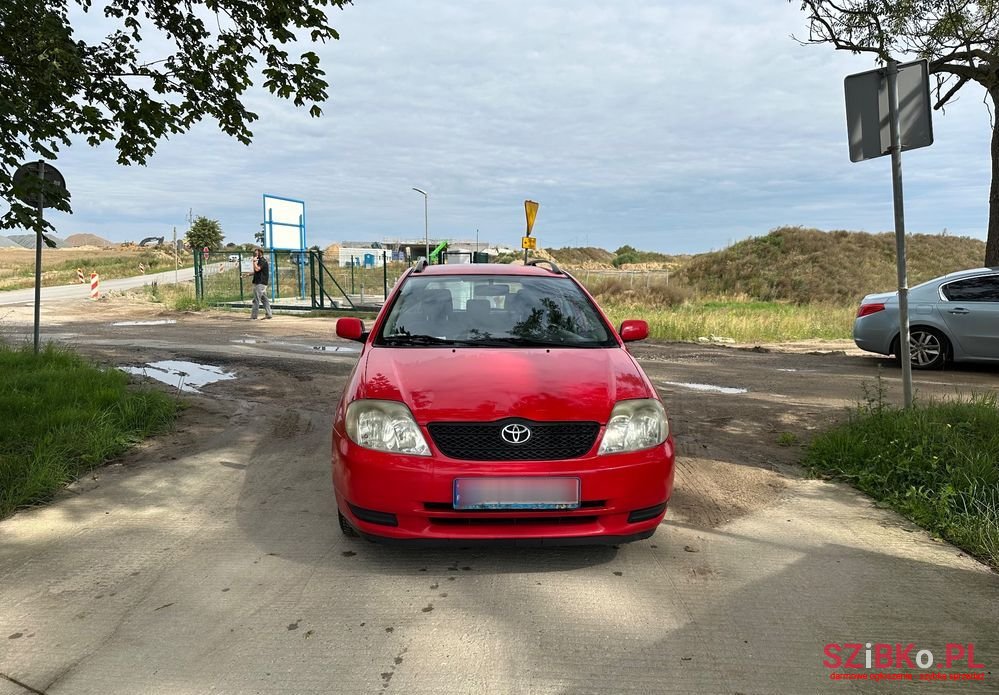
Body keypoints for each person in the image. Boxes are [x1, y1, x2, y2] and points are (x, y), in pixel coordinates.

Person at [250, 248, 273, 320]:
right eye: (254, 254)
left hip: (261, 283)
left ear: (260, 253)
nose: (255, 255)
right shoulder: (260, 261)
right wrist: (249, 274)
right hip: (259, 282)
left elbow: (257, 269)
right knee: (264, 299)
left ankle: (254, 316)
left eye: (256, 253)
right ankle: (269, 314)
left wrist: (254, 262)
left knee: (256, 299)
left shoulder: (262, 261)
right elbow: (258, 271)